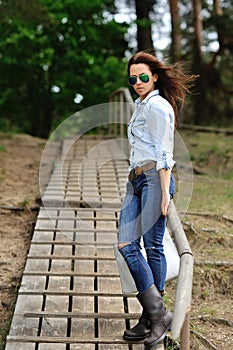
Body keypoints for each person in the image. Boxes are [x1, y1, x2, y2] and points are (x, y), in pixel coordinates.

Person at [117, 51, 196, 347]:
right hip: (135, 180)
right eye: (132, 78)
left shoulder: (159, 106)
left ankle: (152, 316)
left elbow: (165, 151)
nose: (137, 82)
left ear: (154, 77)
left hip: (154, 179)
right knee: (126, 244)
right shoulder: (139, 105)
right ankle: (156, 313)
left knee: (151, 246)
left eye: (142, 77)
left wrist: (165, 191)